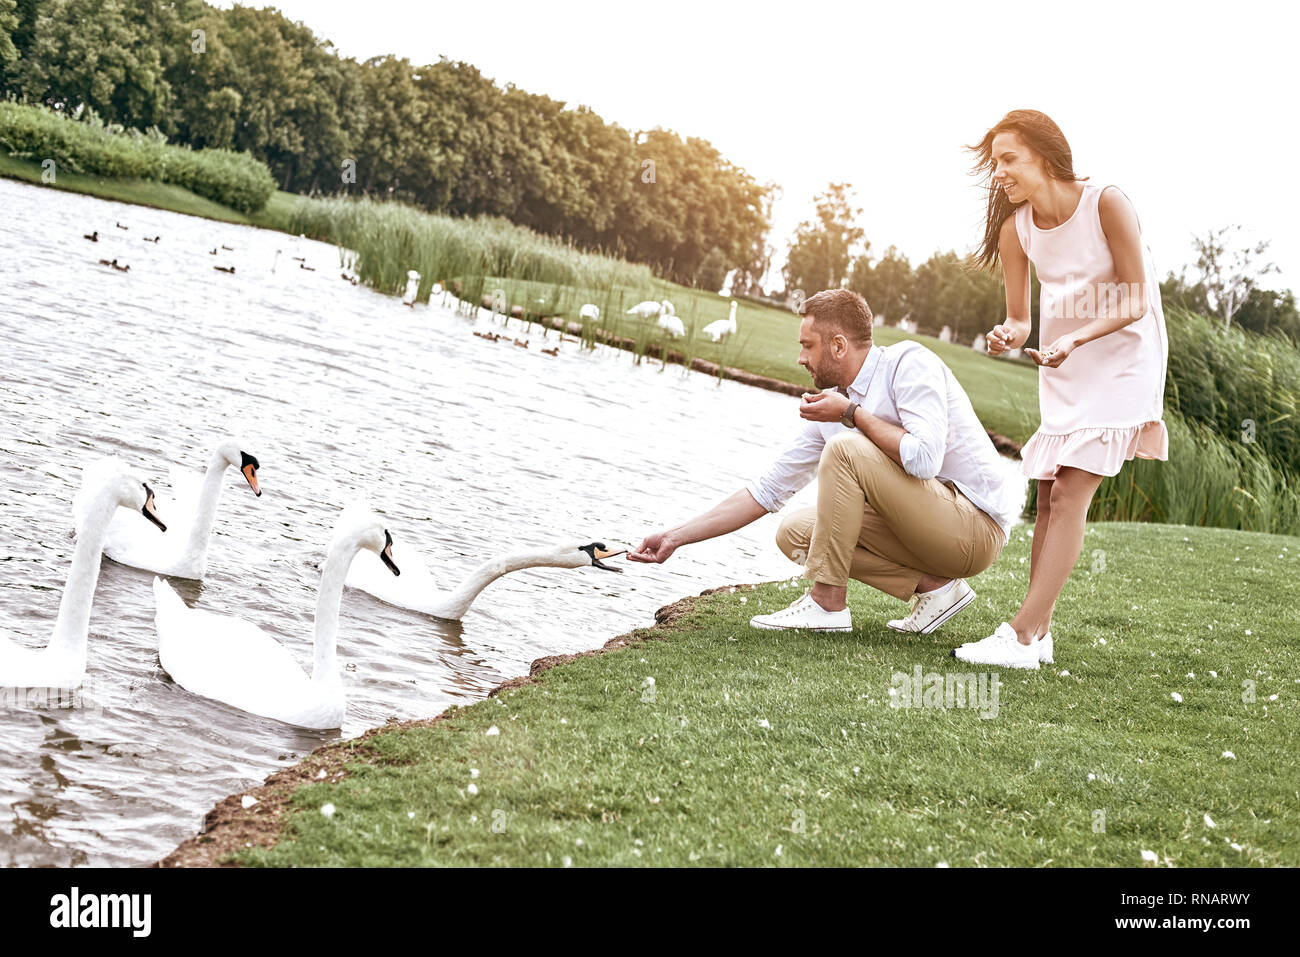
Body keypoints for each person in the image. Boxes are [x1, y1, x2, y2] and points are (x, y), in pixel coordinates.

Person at [629, 288, 1023, 636]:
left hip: (974, 530)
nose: (800, 358)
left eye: (808, 345)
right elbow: (766, 491)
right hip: (927, 534)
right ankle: (934, 588)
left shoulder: (907, 364)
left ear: (838, 345)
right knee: (796, 532)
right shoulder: (835, 403)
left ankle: (826, 604)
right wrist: (676, 537)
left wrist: (852, 415)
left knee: (845, 449)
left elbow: (924, 459)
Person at [953, 109, 1169, 669]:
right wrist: (1011, 332)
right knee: (1048, 495)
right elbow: (1022, 319)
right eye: (994, 162)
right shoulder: (1015, 230)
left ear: (1045, 157)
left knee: (1072, 492)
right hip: (1064, 362)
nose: (997, 172)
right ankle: (1038, 632)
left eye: (1008, 159)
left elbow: (1135, 298)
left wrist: (1076, 339)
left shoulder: (1107, 203)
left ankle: (1021, 636)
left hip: (1123, 356)